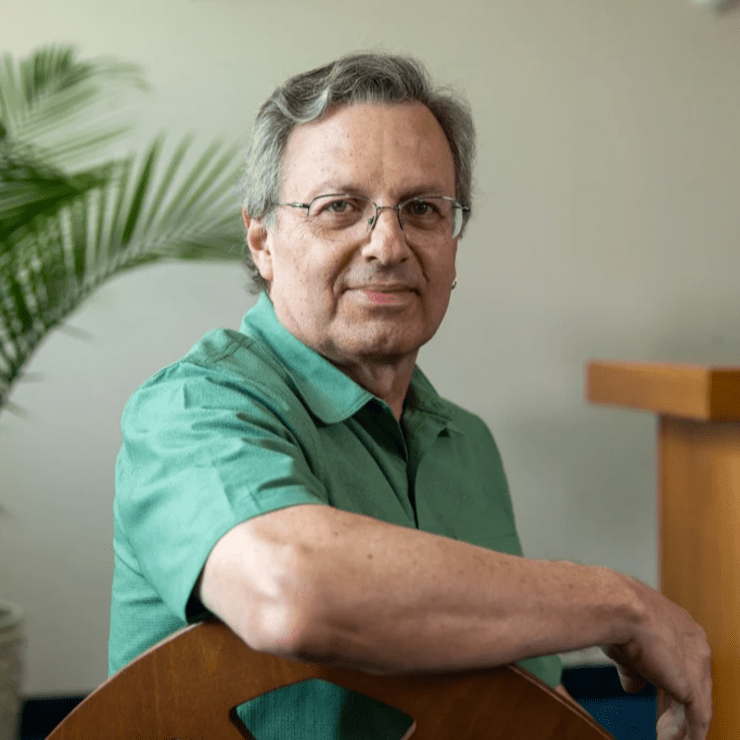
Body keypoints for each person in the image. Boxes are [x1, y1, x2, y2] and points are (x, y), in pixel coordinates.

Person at [109, 52, 712, 740]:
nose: (388, 245)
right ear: (262, 240)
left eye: (422, 209)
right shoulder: (191, 408)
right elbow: (293, 593)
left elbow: (520, 701)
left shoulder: (468, 444)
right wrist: (618, 603)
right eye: (340, 208)